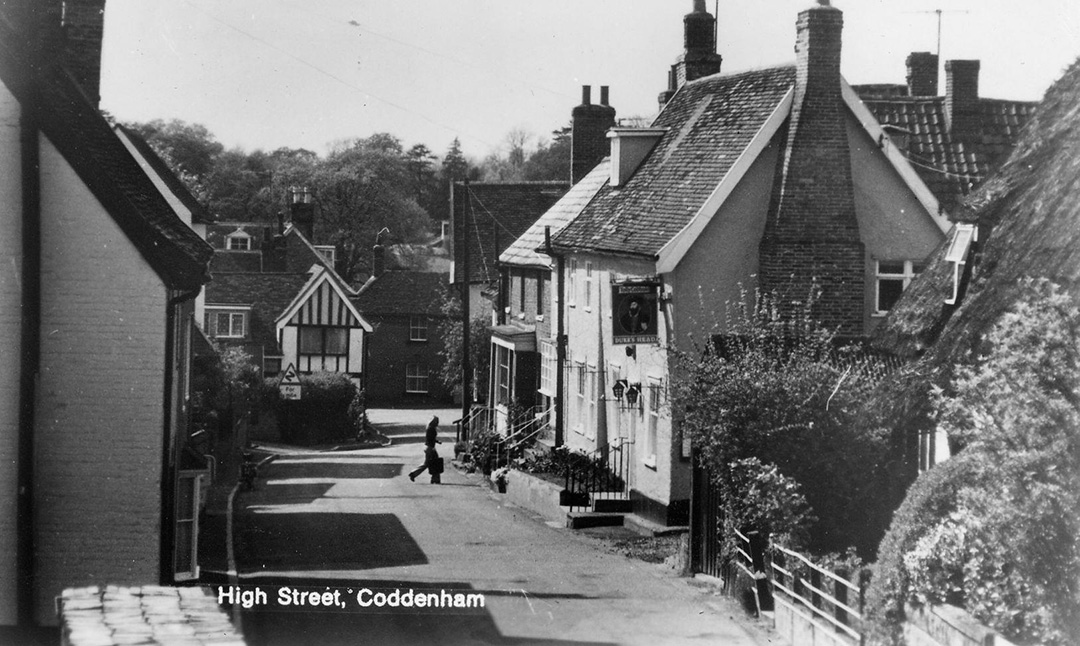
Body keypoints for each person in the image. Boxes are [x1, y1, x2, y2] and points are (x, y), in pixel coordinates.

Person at [409, 416, 442, 482]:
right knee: (435, 463)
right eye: (437, 421)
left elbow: (431, 438)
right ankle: (435, 478)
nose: (438, 423)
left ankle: (414, 474)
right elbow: (431, 439)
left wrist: (437, 441)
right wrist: (433, 447)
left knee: (429, 463)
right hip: (430, 448)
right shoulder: (431, 429)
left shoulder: (430, 428)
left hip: (428, 447)